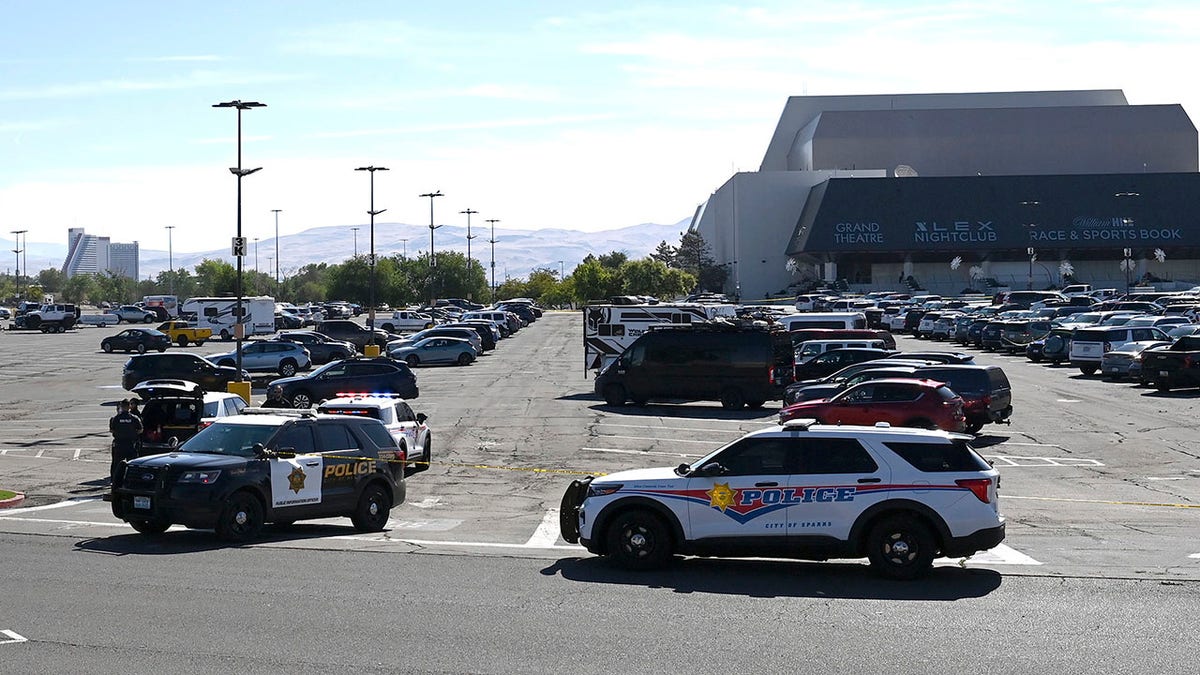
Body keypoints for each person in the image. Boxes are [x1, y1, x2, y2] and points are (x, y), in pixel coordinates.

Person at [109, 399, 143, 490]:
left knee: (116, 464)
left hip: (119, 444)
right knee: (133, 464)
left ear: (122, 407)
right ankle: (134, 481)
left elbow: (112, 430)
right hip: (130, 444)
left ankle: (114, 481)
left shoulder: (116, 418)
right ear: (129, 407)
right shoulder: (134, 418)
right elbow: (140, 430)